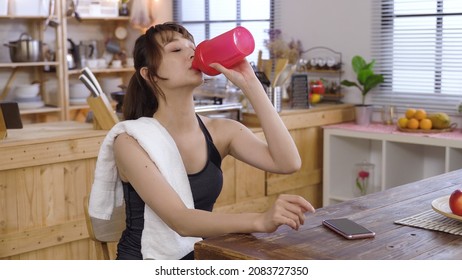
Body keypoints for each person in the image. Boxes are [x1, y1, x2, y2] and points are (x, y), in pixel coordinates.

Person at [89, 22, 315, 260]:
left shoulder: (221, 131)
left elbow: (288, 162)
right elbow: (181, 220)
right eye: (176, 50)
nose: (192, 54)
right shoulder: (131, 141)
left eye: (193, 48)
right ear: (149, 74)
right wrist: (260, 219)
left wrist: (251, 84)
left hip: (201, 255)